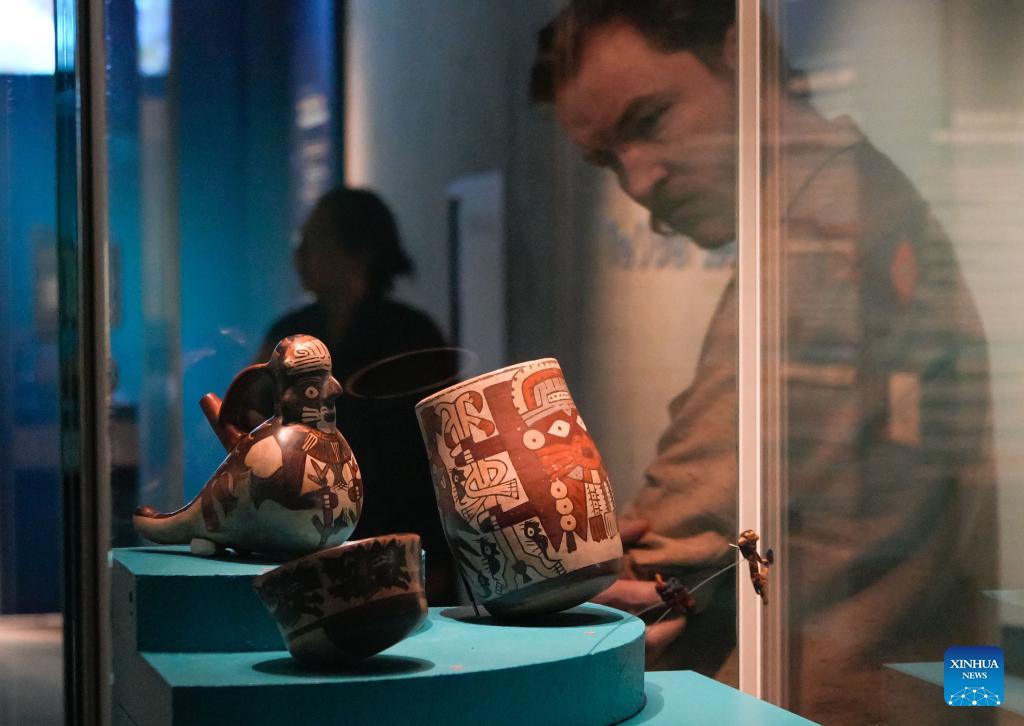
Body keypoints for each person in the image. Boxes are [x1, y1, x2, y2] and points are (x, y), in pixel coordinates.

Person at [531, 2, 996, 723]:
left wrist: (556, 591)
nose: (638, 181)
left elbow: (673, 547)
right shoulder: (849, 202)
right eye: (607, 160)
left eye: (650, 119)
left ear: (737, 54)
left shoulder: (822, 230)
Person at [260, 186, 459, 603]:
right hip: (309, 544)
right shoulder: (290, 333)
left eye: (315, 242)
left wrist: (440, 560)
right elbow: (259, 426)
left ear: (359, 253)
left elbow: (442, 454)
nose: (301, 256)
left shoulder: (411, 335)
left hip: (404, 543)